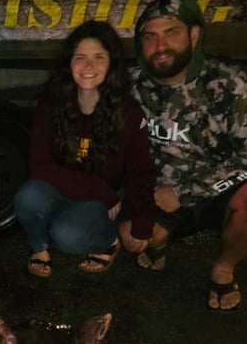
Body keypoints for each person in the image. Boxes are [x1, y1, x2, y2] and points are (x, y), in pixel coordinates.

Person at [131, 0, 247, 311]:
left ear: (194, 35)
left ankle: (224, 268)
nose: (160, 46)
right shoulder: (132, 85)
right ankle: (161, 239)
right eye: (150, 37)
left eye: (172, 33)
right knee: (132, 236)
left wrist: (185, 192)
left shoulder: (233, 82)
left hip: (218, 191)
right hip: (159, 193)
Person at [14, 20, 156, 278]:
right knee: (28, 195)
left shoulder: (129, 112)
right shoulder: (51, 104)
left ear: (111, 63)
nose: (89, 66)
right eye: (80, 57)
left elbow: (141, 170)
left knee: (66, 235)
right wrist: (98, 189)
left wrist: (143, 222)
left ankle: (107, 241)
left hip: (102, 201)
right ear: (69, 64)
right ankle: (38, 247)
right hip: (79, 189)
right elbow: (40, 166)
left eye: (99, 57)